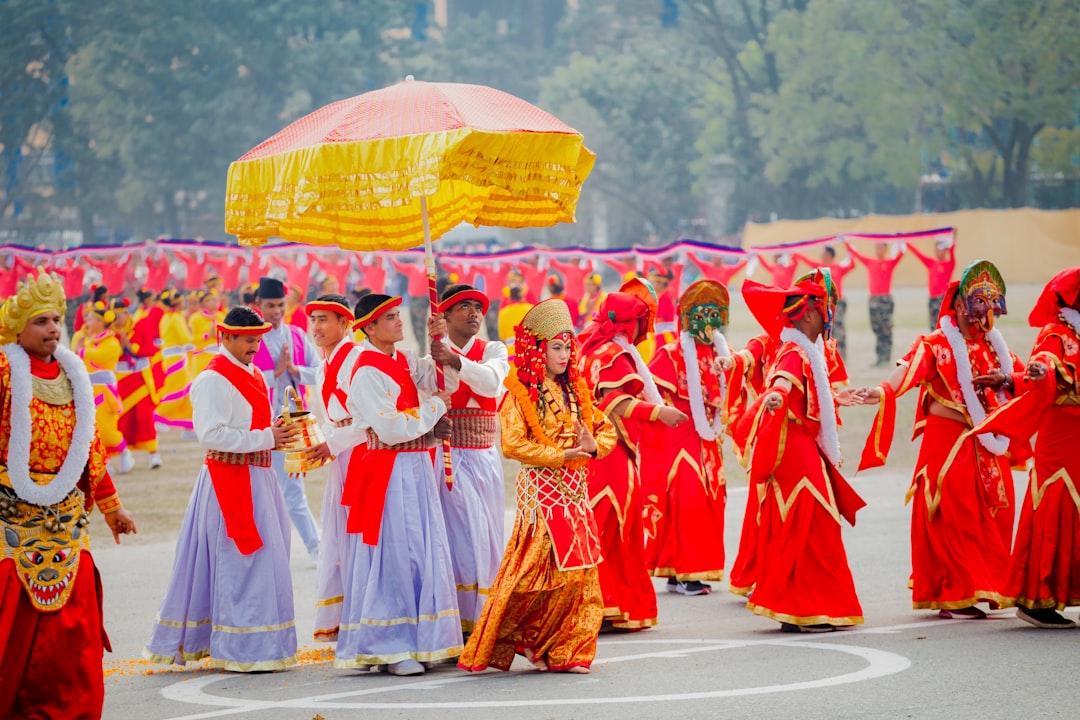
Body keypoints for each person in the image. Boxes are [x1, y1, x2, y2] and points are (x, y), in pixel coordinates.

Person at [0, 268, 137, 717]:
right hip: (11, 519)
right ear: (17, 328)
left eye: (57, 319)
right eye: (41, 321)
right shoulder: (3, 370)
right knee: (11, 627)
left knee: (73, 631)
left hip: (65, 521)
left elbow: (90, 449)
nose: (53, 329)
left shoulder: (73, 376)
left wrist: (113, 507)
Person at [857, 260, 1026, 619]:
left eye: (990, 304)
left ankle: (987, 584)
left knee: (1001, 504)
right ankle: (957, 592)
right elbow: (908, 368)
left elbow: (1020, 376)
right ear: (961, 304)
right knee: (956, 509)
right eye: (978, 303)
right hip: (949, 441)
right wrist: (882, 390)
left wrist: (1010, 380)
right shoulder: (937, 344)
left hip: (986, 441)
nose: (984, 313)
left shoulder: (994, 347)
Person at [459, 299, 617, 674]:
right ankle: (525, 638)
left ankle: (567, 650)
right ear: (538, 350)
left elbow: (603, 430)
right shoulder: (520, 391)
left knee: (580, 575)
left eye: (568, 346)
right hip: (542, 495)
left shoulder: (577, 389)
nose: (564, 355)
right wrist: (559, 456)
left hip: (576, 492)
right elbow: (512, 444)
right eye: (556, 347)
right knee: (532, 575)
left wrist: (593, 447)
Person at [144, 306, 300, 672]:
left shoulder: (256, 373)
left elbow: (251, 425)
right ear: (225, 336)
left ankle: (261, 644)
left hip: (259, 477)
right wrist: (267, 436)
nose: (255, 346)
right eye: (248, 339)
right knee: (238, 563)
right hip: (228, 479)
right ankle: (239, 649)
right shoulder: (212, 378)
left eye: (258, 339)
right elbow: (211, 435)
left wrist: (276, 430)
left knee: (263, 561)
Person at [334, 293, 460, 676]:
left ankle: (424, 640)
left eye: (398, 315)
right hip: (388, 471)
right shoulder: (365, 372)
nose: (399, 322)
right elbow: (391, 429)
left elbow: (443, 381)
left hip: (418, 467)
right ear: (368, 327)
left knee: (423, 551)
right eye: (390, 318)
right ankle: (389, 646)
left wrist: (440, 344)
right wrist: (434, 407)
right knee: (395, 556)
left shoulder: (404, 359)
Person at [734, 269, 866, 632]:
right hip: (793, 448)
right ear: (809, 313)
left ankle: (796, 605)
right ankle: (803, 606)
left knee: (804, 522)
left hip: (801, 444)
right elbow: (780, 384)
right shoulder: (794, 350)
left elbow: (805, 398)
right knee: (812, 520)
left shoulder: (807, 350)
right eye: (826, 308)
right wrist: (775, 396)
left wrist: (835, 397)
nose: (829, 316)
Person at [577, 278, 688, 630]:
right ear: (630, 323)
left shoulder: (587, 349)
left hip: (588, 451)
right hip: (610, 452)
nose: (646, 329)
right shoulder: (614, 354)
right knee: (614, 527)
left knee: (602, 527)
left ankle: (606, 604)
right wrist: (660, 413)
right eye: (643, 321)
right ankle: (609, 604)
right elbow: (616, 402)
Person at [971, 268, 1076, 627]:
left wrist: (1008, 378)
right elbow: (1043, 367)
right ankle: (1037, 599)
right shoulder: (1056, 334)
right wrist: (1032, 374)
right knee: (1053, 507)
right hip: (1061, 439)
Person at [428, 284, 510, 635]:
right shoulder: (431, 357)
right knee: (457, 537)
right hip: (445, 458)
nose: (474, 313)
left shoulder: (492, 349)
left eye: (478, 307)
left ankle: (485, 620)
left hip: (483, 459)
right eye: (464, 307)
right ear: (444, 315)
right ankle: (456, 622)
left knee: (485, 536)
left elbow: (491, 384)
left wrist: (454, 360)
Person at [643, 279, 733, 596]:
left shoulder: (724, 354)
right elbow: (647, 391)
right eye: (700, 313)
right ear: (688, 317)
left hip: (710, 437)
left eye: (713, 313)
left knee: (712, 499)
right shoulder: (671, 353)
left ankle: (680, 569)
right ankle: (685, 572)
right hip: (680, 436)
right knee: (686, 498)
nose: (707, 321)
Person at [300, 294, 367, 643]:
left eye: (325, 319)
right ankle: (346, 617)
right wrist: (314, 447)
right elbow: (328, 419)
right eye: (314, 320)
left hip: (362, 453)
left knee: (359, 535)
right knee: (340, 536)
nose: (317, 327)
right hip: (341, 456)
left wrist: (333, 442)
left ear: (345, 323)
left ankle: (364, 615)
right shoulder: (321, 366)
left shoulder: (356, 358)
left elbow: (368, 418)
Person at [252, 276, 322, 564]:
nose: (277, 311)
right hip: (258, 424)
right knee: (259, 491)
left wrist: (294, 369)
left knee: (293, 490)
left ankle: (317, 548)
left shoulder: (296, 335)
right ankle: (263, 551)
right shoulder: (251, 338)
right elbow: (243, 379)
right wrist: (275, 374)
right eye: (270, 306)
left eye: (281, 305)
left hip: (292, 422)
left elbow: (319, 371)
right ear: (258, 305)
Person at [78, 300, 132, 474]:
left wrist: (81, 350)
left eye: (91, 319)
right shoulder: (88, 341)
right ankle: (104, 461)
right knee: (93, 429)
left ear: (101, 323)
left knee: (107, 431)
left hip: (105, 392)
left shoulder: (111, 342)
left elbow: (99, 357)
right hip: (90, 390)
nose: (87, 321)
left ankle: (124, 452)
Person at [846, 241, 905, 366]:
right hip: (873, 300)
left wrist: (901, 241)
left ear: (885, 249)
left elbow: (901, 254)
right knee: (877, 328)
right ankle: (879, 356)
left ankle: (886, 356)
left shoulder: (890, 262)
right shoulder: (870, 262)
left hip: (884, 299)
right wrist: (847, 242)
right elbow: (856, 254)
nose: (878, 249)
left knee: (886, 328)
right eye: (876, 247)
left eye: (880, 247)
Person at [794, 246, 854, 358]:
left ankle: (841, 354)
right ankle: (829, 354)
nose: (822, 255)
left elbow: (852, 265)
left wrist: (849, 247)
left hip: (837, 303)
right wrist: (795, 252)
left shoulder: (838, 268)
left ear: (829, 255)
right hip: (824, 303)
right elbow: (807, 261)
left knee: (839, 327)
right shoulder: (820, 268)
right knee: (826, 329)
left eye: (824, 253)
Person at [154, 289, 195, 432]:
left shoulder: (166, 317)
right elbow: (185, 339)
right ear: (178, 304)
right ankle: (157, 416)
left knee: (185, 390)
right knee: (178, 391)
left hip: (170, 358)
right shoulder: (176, 318)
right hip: (177, 360)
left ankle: (188, 424)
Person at [908, 238, 958, 331]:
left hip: (942, 299)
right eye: (936, 250)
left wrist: (953, 237)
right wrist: (907, 243)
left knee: (943, 326)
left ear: (945, 250)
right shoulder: (931, 263)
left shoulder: (949, 264)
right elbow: (919, 254)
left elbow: (952, 251)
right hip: (932, 299)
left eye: (939, 250)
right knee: (933, 326)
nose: (937, 252)